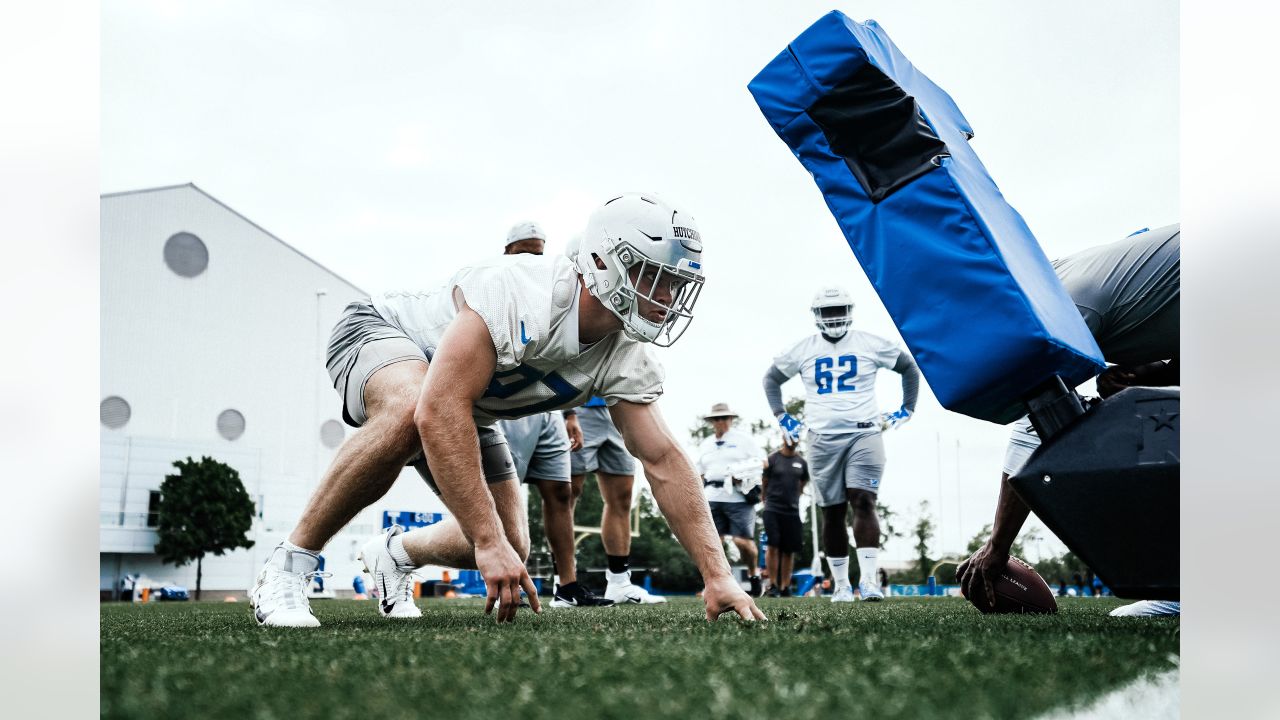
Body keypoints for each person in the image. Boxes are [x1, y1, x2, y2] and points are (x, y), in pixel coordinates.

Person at [249, 192, 764, 627]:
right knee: (413, 413)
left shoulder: (625, 354)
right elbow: (436, 408)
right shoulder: (521, 290)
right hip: (385, 333)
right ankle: (289, 564)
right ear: (608, 262)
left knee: (510, 542)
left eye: (677, 282)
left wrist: (717, 575)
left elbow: (663, 461)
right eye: (657, 276)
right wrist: (486, 539)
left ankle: (394, 554)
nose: (668, 296)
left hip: (461, 401)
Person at [958, 225, 1180, 618]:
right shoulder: (1065, 277)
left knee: (1168, 429)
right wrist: (1152, 377)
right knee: (1166, 421)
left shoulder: (1065, 307)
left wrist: (998, 546)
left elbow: (1035, 430)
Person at [763, 286, 920, 603]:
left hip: (865, 432)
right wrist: (782, 415)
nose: (834, 317)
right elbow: (771, 379)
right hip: (821, 439)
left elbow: (908, 366)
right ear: (817, 315)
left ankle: (870, 581)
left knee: (863, 500)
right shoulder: (803, 348)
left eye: (839, 310)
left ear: (849, 311)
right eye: (828, 311)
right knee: (832, 512)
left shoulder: (869, 343)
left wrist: (908, 407)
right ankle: (842, 585)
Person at [495, 222, 612, 609]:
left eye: (539, 251)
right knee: (501, 499)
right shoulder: (496, 285)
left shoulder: (554, 288)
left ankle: (567, 585)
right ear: (508, 252)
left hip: (547, 410)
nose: (534, 258)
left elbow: (566, 359)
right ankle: (497, 574)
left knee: (561, 491)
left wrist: (571, 415)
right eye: (526, 251)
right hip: (504, 408)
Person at [695, 402, 767, 598]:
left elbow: (763, 462)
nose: (721, 422)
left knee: (742, 542)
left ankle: (754, 575)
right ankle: (715, 582)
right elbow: (699, 472)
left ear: (731, 419)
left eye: (725, 418)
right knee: (712, 543)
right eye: (717, 418)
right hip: (711, 495)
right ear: (712, 421)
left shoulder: (744, 440)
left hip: (739, 497)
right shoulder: (706, 444)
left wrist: (743, 472)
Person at [761, 433, 808, 597]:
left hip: (792, 511)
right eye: (789, 436)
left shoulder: (802, 462)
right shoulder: (772, 459)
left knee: (789, 550)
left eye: (796, 437)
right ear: (783, 437)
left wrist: (794, 498)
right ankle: (773, 585)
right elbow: (764, 483)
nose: (792, 440)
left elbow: (802, 483)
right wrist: (765, 499)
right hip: (772, 509)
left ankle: (785, 587)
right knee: (773, 546)